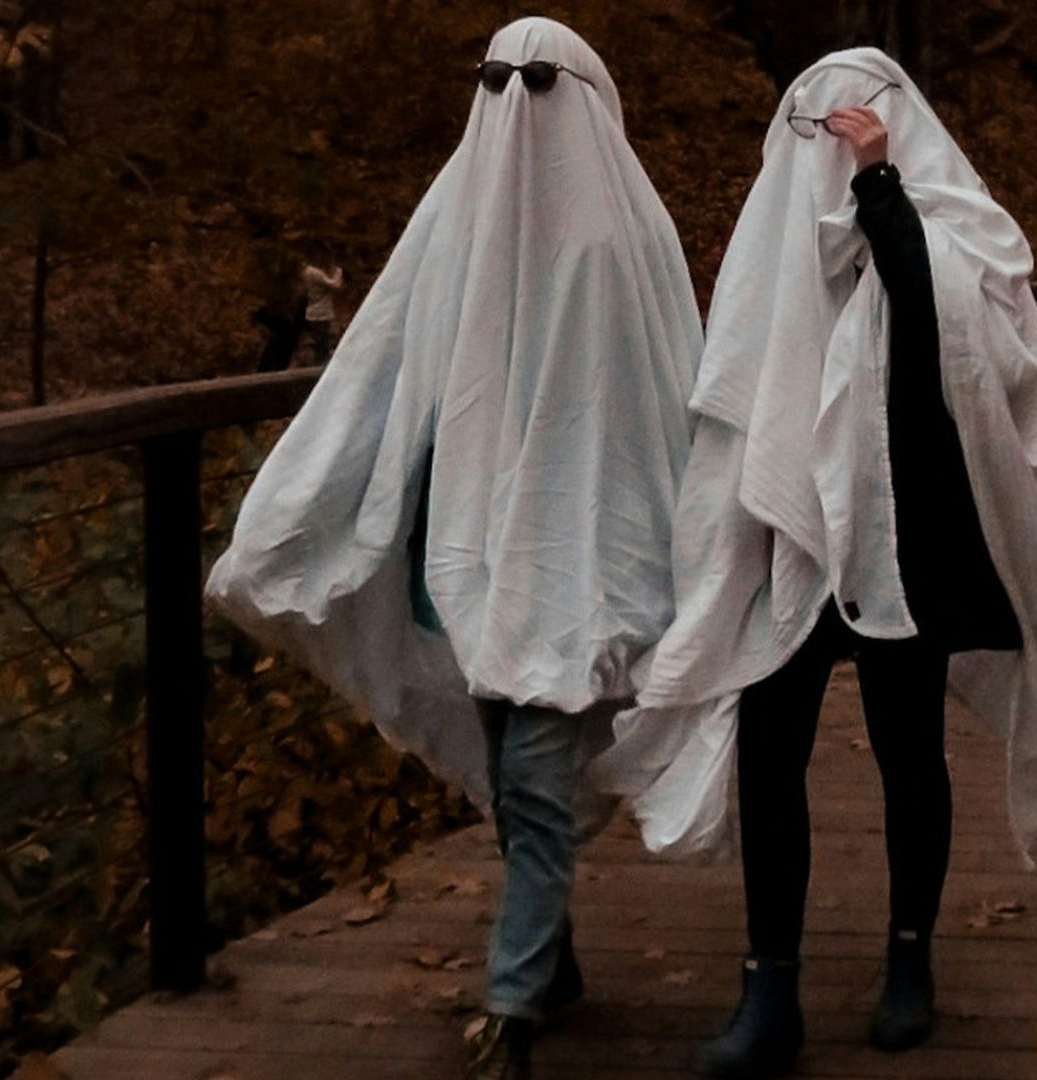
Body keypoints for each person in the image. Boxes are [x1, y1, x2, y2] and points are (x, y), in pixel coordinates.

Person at [205, 18, 704, 1080]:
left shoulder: (619, 240)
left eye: (533, 80)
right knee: (510, 769)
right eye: (492, 79)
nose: (513, 103)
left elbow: (658, 393)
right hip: (462, 557)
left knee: (530, 772)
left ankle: (513, 1005)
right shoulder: (456, 225)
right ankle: (549, 957)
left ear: (578, 91)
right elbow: (385, 370)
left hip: (579, 563)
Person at [600, 48, 1037, 1080]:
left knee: (907, 747)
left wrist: (881, 186)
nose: (831, 136)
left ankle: (910, 960)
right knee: (769, 749)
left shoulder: (953, 221)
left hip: (898, 530)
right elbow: (741, 365)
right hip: (787, 533)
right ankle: (767, 988)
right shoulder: (773, 238)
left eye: (856, 119)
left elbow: (947, 338)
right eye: (816, 124)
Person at [300, 257, 344, 364]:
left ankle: (319, 362)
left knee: (319, 342)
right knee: (322, 343)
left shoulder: (306, 272)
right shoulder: (315, 273)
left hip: (313, 312)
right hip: (321, 313)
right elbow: (335, 285)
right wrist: (338, 273)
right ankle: (320, 365)